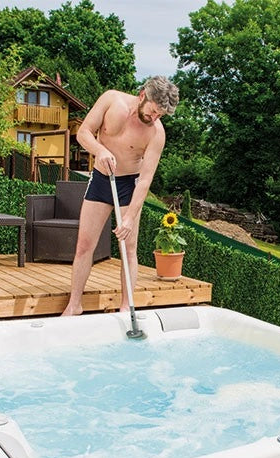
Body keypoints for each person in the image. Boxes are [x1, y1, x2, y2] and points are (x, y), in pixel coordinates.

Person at [60, 76, 179, 317]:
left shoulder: (156, 134)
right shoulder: (111, 99)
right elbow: (83, 133)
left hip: (128, 185)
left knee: (128, 247)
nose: (155, 118)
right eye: (154, 111)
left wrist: (130, 217)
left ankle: (126, 307)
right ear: (144, 95)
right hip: (101, 179)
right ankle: (74, 305)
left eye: (161, 116)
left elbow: (145, 180)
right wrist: (100, 150)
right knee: (84, 246)